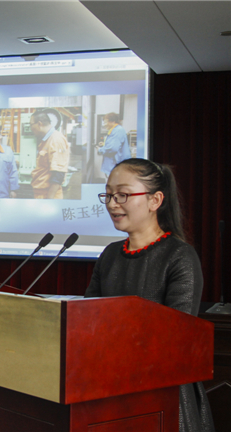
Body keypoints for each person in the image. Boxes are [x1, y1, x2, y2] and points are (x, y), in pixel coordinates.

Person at [84, 158, 215, 432]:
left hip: (163, 396)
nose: (112, 204)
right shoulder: (109, 254)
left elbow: (177, 335)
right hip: (109, 389)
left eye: (122, 194)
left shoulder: (179, 256)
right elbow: (86, 320)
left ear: (155, 200)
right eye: (108, 195)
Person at [29, 112, 70, 199]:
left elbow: (58, 174)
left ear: (39, 124)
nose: (31, 128)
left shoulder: (56, 140)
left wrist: (49, 200)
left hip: (49, 194)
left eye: (31, 124)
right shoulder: (47, 140)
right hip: (41, 192)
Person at [97, 112, 131, 178]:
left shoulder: (117, 130)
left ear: (113, 121)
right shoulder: (114, 130)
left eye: (105, 122)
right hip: (115, 166)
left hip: (116, 166)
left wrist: (100, 150)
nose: (104, 125)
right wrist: (104, 144)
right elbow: (115, 144)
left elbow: (112, 148)